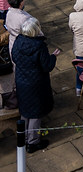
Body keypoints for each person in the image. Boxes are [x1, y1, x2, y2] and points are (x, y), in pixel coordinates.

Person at [13, 17, 57, 151]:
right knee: (36, 113)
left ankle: (24, 137)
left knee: (25, 111)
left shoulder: (18, 41)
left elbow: (14, 57)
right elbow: (47, 66)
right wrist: (53, 56)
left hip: (21, 80)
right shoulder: (39, 46)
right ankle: (33, 142)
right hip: (36, 83)